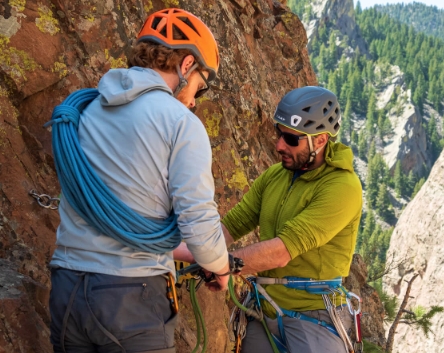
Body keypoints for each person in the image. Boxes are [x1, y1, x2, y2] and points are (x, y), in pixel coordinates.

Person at [48, 8, 230, 353]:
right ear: (187, 65)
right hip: (131, 295)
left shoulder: (87, 110)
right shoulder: (180, 123)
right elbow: (199, 225)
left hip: (67, 287)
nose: (193, 101)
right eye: (199, 88)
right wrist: (219, 267)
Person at [175, 86, 363, 352]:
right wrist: (171, 248)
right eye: (278, 133)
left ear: (320, 140)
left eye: (291, 139)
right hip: (264, 311)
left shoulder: (342, 187)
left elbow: (282, 251)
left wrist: (220, 263)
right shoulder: (276, 176)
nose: (279, 145)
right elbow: (231, 226)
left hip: (314, 317)